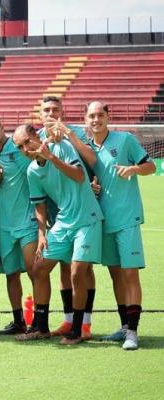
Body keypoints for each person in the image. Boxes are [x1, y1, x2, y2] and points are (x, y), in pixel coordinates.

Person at [12, 124, 103, 345]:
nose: (25, 149)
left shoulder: (61, 147)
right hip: (63, 223)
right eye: (20, 147)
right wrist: (42, 234)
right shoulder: (32, 171)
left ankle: (77, 330)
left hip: (87, 219)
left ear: (36, 135)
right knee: (39, 269)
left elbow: (79, 176)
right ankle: (41, 328)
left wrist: (51, 157)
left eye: (27, 141)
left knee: (77, 273)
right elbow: (39, 205)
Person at [86, 101, 156, 350]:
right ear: (86, 119)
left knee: (129, 273)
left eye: (100, 115)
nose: (96, 119)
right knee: (115, 273)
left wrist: (133, 168)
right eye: (92, 115)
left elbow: (151, 166)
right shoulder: (86, 149)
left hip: (126, 217)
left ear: (108, 117)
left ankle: (133, 333)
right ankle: (125, 325)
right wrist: (91, 188)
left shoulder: (125, 140)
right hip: (102, 220)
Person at [38, 96, 97, 339]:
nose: (51, 114)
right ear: (40, 114)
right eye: (46, 110)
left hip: (80, 206)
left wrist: (95, 184)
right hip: (56, 211)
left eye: (55, 110)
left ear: (62, 112)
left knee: (82, 267)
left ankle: (85, 324)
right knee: (63, 265)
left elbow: (92, 162)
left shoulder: (76, 133)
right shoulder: (37, 138)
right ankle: (69, 319)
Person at [0, 114, 38, 335]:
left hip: (28, 221)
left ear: (2, 126)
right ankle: (18, 321)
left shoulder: (20, 148)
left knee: (34, 272)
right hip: (5, 226)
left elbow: (41, 166)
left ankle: (39, 321)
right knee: (11, 274)